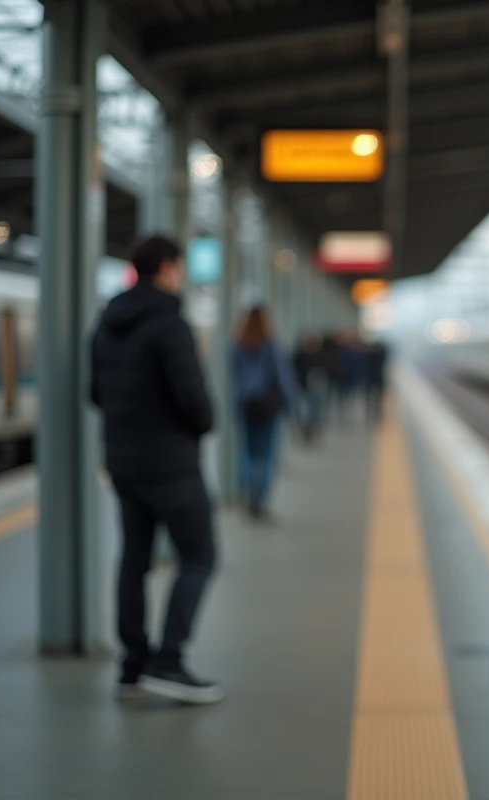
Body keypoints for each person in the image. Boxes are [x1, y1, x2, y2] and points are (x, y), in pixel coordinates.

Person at [90, 234, 224, 705]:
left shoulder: (107, 323)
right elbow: (193, 399)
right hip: (171, 465)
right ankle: (168, 661)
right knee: (200, 554)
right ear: (168, 268)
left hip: (124, 462)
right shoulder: (170, 323)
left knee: (134, 559)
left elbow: (95, 393)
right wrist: (206, 421)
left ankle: (133, 667)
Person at [231, 305, 298, 520]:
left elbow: (234, 377)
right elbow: (282, 378)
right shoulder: (271, 345)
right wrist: (291, 405)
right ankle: (260, 498)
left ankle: (248, 492)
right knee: (266, 453)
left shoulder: (237, 345)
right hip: (268, 405)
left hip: (246, 405)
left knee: (248, 451)